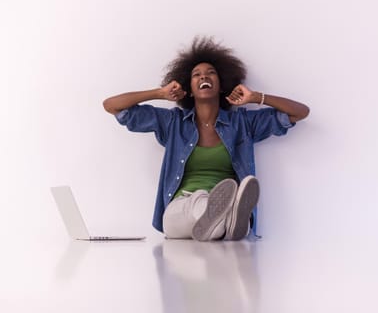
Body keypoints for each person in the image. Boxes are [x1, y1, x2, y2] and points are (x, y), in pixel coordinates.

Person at [103, 37, 309, 241]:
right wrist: (160, 93)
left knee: (212, 222)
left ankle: (221, 222)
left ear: (221, 85)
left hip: (216, 214)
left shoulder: (242, 122)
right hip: (181, 209)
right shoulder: (173, 122)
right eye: (196, 75)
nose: (204, 77)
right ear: (189, 89)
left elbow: (299, 112)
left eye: (211, 73)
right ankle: (230, 221)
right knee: (199, 205)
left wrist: (257, 98)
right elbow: (112, 106)